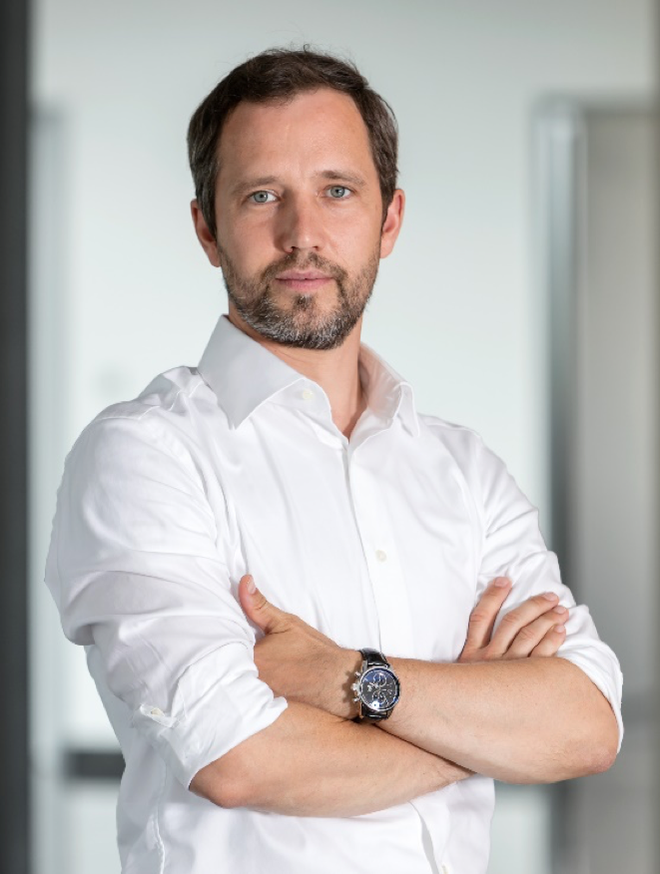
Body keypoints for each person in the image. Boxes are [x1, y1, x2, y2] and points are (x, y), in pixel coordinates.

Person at [45, 47, 622, 874]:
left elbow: (587, 723)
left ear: (389, 220)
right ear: (207, 228)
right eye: (262, 195)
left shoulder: (464, 472)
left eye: (337, 191)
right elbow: (239, 759)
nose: (302, 234)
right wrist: (481, 729)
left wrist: (349, 678)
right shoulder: (143, 457)